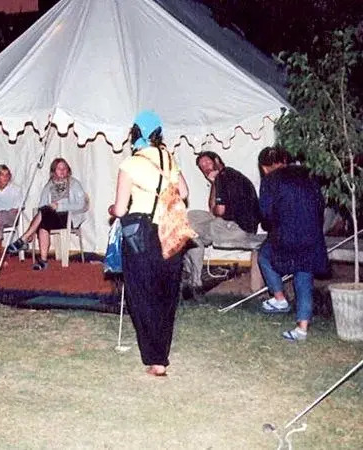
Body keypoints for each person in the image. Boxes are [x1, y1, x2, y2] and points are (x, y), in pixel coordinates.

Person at [109, 110, 188, 377]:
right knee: (166, 294)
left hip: (141, 234)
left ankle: (154, 358)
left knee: (141, 294)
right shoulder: (168, 157)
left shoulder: (130, 163)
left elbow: (121, 209)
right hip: (170, 230)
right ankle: (161, 356)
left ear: (135, 133)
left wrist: (113, 209)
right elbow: (184, 192)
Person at [257, 146, 329, 341]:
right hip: (311, 234)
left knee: (264, 256)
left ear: (264, 167)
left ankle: (279, 299)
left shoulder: (270, 180)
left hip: (286, 235)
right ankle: (301, 329)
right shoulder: (309, 175)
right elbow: (320, 205)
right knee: (304, 275)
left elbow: (266, 214)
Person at [184, 151, 260, 299]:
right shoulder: (226, 176)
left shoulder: (225, 177)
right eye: (202, 166)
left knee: (188, 230)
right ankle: (194, 279)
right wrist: (214, 183)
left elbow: (218, 211)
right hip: (234, 225)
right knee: (192, 217)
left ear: (217, 160)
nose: (205, 168)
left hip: (236, 228)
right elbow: (211, 208)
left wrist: (216, 183)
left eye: (207, 162)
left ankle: (193, 279)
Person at [7, 158, 87, 270]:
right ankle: (43, 260)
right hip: (51, 217)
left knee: (46, 213)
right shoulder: (49, 186)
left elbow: (81, 204)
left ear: (68, 170)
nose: (62, 171)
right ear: (53, 171)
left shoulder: (74, 184)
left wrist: (60, 207)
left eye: (64, 168)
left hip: (70, 218)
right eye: (59, 168)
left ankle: (24, 238)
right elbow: (42, 208)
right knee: (44, 219)